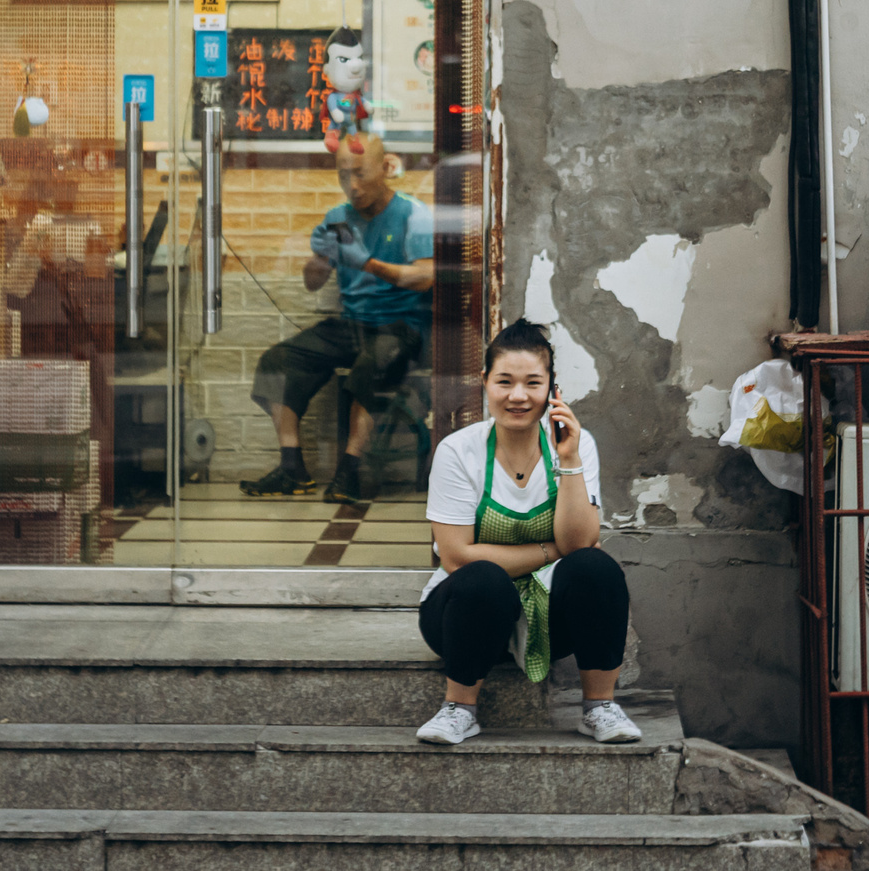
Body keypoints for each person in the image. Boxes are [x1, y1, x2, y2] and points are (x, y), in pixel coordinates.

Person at [412, 320, 642, 748]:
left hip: (550, 622)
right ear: (485, 383)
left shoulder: (576, 444)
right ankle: (458, 709)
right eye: (505, 382)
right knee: (483, 577)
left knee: (596, 568)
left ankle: (599, 709)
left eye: (532, 383)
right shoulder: (458, 450)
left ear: (552, 389)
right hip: (463, 618)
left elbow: (580, 546)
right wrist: (547, 549)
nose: (518, 396)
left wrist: (568, 457)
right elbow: (456, 556)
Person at [239, 135, 433, 502]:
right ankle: (292, 468)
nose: (353, 186)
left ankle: (350, 472)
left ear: (385, 169)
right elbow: (314, 284)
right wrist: (319, 258)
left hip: (402, 324)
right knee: (277, 362)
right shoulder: (337, 218)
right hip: (351, 324)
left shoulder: (413, 214)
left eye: (360, 174)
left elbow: (425, 277)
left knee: (369, 367)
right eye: (344, 176)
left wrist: (367, 263)